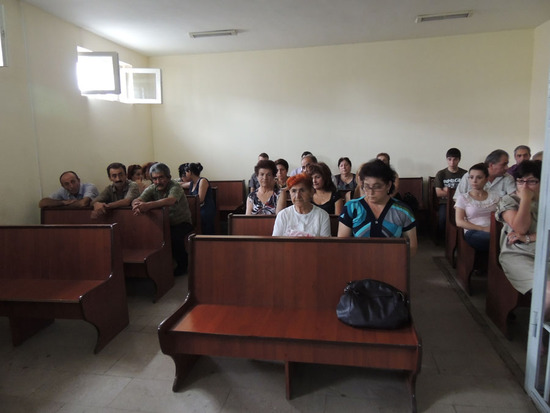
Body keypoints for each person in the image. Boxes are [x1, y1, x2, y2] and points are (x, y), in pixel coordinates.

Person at [338, 159, 417, 257]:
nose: (371, 192)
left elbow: (412, 248)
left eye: (377, 187)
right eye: (367, 186)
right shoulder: (352, 207)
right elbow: (342, 244)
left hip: (392, 262)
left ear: (388, 185)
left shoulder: (403, 211)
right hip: (358, 261)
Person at [132, 163, 193, 276]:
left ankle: (183, 265)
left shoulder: (175, 186)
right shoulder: (152, 187)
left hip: (181, 222)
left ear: (168, 177)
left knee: (174, 237)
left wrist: (148, 205)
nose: (158, 181)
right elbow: (138, 200)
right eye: (154, 178)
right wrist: (136, 205)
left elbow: (171, 200)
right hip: (161, 223)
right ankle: (156, 265)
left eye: (161, 177)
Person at [496, 160, 543, 297]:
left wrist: (531, 237)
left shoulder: (546, 201)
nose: (525, 186)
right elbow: (521, 228)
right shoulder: (509, 200)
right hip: (520, 254)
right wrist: (526, 199)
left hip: (544, 251)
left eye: (532, 181)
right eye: (520, 181)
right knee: (545, 291)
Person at [454, 163, 500, 252]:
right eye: (471, 177)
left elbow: (501, 216)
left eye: (479, 177)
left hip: (494, 229)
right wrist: (483, 229)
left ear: (486, 179)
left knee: (506, 238)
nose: (474, 181)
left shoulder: (495, 197)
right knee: (492, 239)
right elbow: (459, 222)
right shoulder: (463, 198)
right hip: (473, 231)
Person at [434, 148, 467, 237]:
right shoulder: (441, 174)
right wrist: (458, 192)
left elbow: (467, 192)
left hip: (462, 203)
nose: (452, 162)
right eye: (449, 159)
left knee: (469, 216)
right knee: (443, 219)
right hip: (445, 202)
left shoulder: (465, 174)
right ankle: (443, 239)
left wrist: (448, 191)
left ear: (459, 160)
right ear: (446, 159)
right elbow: (438, 193)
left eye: (455, 159)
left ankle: (461, 238)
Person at [185, 162, 216, 234]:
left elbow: (200, 199)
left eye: (186, 172)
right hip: (197, 209)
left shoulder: (202, 181)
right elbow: (182, 184)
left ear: (190, 172)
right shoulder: (192, 183)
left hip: (205, 209)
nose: (185, 175)